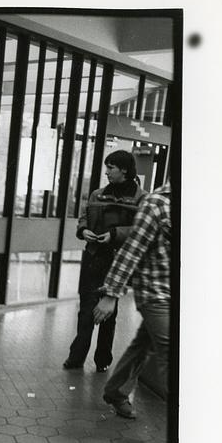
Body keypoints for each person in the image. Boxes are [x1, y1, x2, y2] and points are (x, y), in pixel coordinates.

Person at [92, 181, 171, 419]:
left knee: (143, 344)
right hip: (156, 292)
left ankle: (116, 391)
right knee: (172, 351)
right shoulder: (157, 203)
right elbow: (131, 250)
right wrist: (111, 294)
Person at [63, 150, 147, 373]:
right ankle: (77, 357)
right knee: (86, 309)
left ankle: (103, 359)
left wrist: (114, 233)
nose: (107, 171)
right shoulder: (97, 195)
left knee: (109, 313)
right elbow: (84, 216)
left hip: (117, 261)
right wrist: (84, 230)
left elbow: (140, 229)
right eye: (107, 166)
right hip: (93, 257)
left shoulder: (141, 199)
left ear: (124, 170)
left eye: (111, 167)